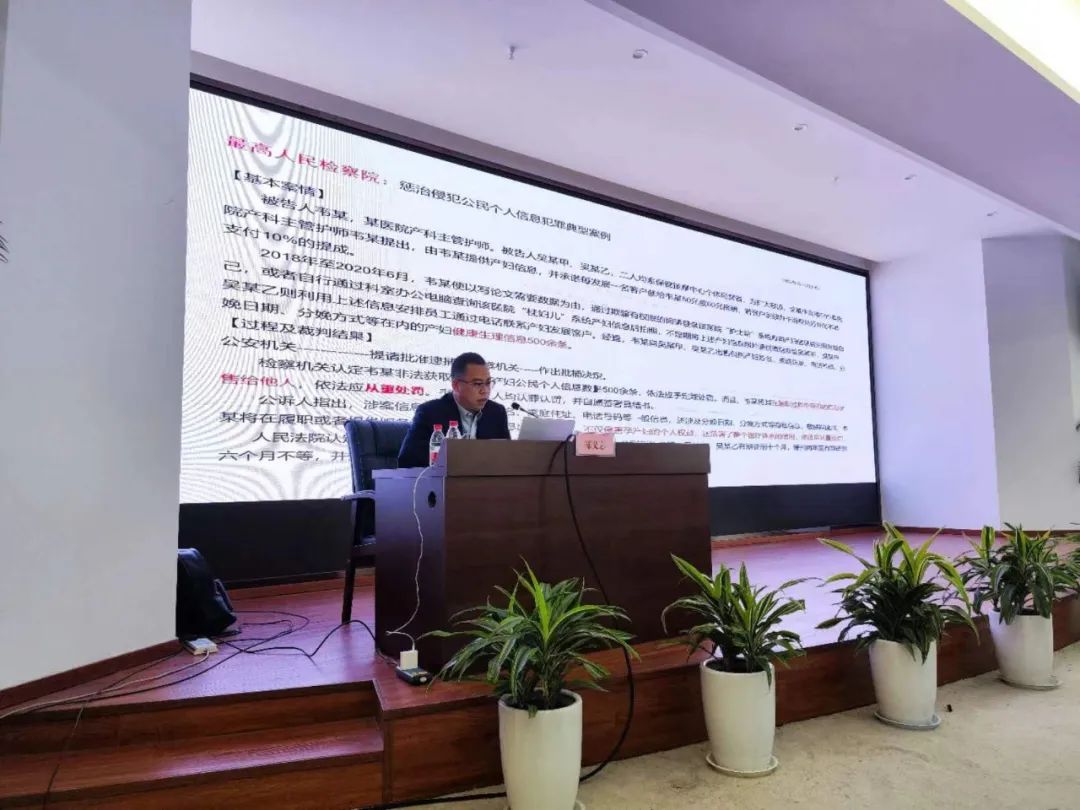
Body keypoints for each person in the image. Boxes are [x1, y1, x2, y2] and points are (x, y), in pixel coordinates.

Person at [397, 352, 511, 467]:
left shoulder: (497, 413)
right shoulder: (430, 413)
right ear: (456, 385)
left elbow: (507, 458)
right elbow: (407, 461)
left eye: (488, 383)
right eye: (477, 384)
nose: (485, 390)